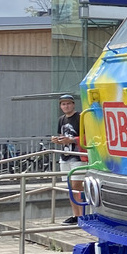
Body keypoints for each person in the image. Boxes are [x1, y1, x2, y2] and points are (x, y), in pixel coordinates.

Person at [51, 95, 86, 225]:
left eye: (68, 103)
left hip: (78, 155)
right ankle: (76, 215)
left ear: (73, 104)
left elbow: (88, 137)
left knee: (77, 185)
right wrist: (58, 140)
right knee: (70, 186)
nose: (66, 106)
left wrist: (72, 140)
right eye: (63, 104)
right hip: (65, 156)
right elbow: (62, 135)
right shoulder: (61, 119)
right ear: (61, 106)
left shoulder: (81, 117)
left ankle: (82, 215)